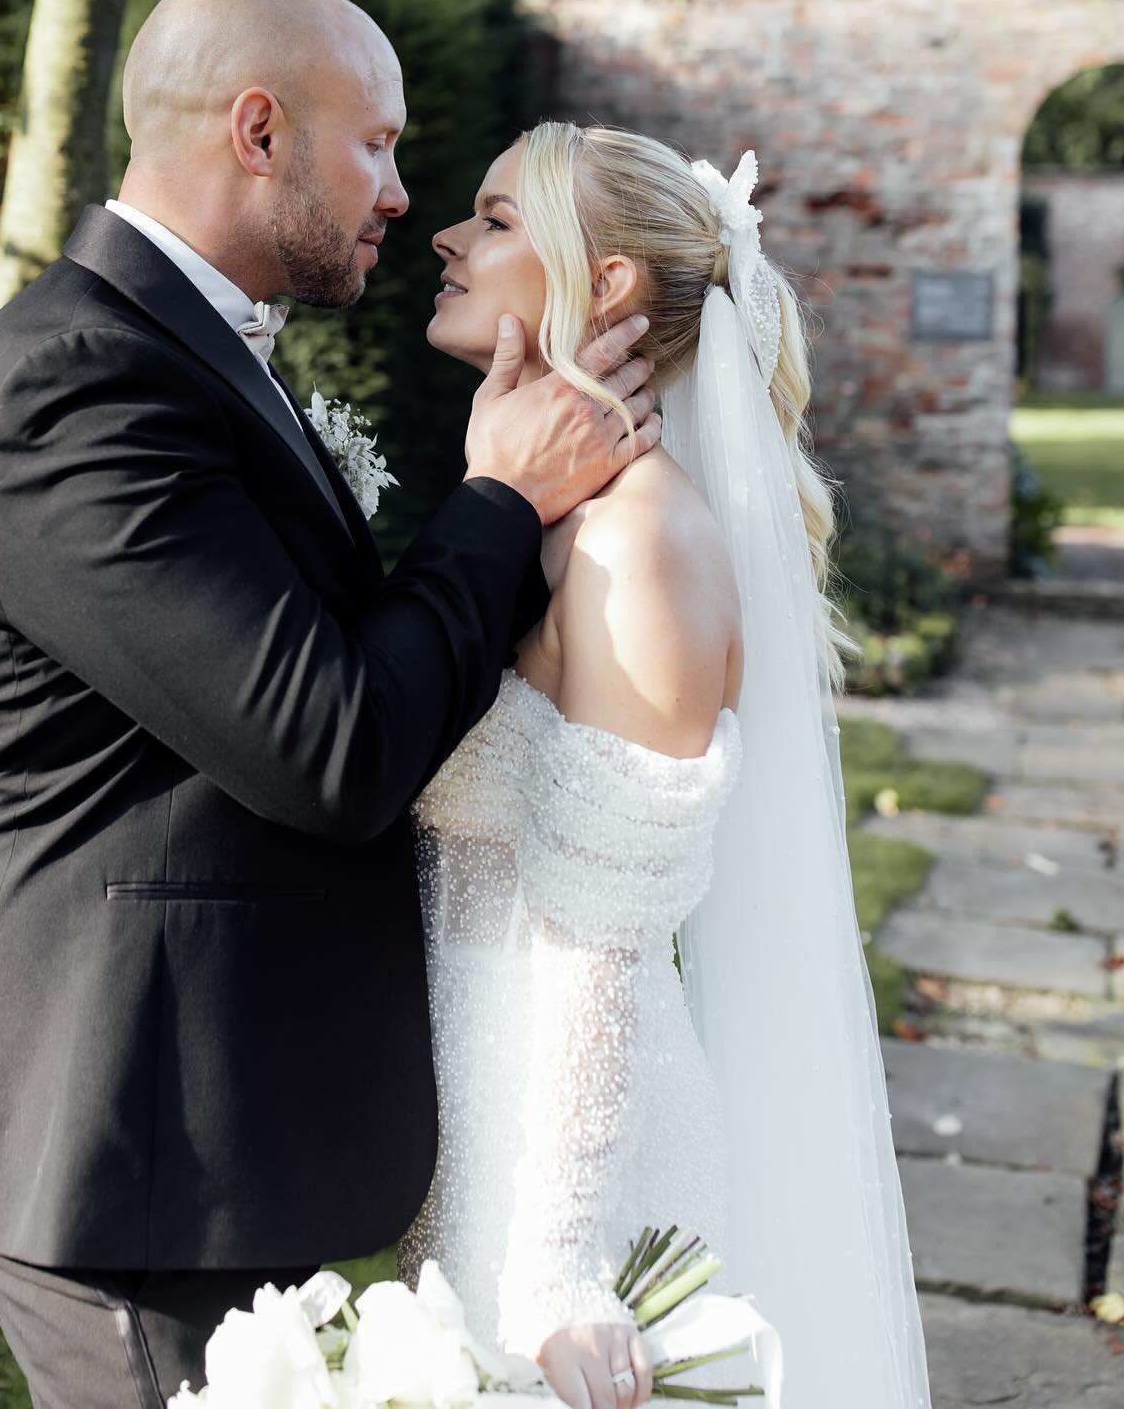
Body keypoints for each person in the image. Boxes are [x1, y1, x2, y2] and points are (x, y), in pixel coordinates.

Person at [0, 0, 662, 1409]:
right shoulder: (79, 386)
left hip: (206, 1129)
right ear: (258, 130)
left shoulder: (177, 355)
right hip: (131, 1149)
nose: (399, 194)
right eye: (377, 144)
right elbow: (331, 745)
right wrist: (496, 499)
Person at [400, 122, 932, 1409]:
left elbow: (606, 950)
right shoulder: (552, 519)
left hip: (571, 1155)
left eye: (496, 219)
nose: (447, 238)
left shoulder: (640, 546)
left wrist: (560, 1273)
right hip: (479, 1112)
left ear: (613, 283)